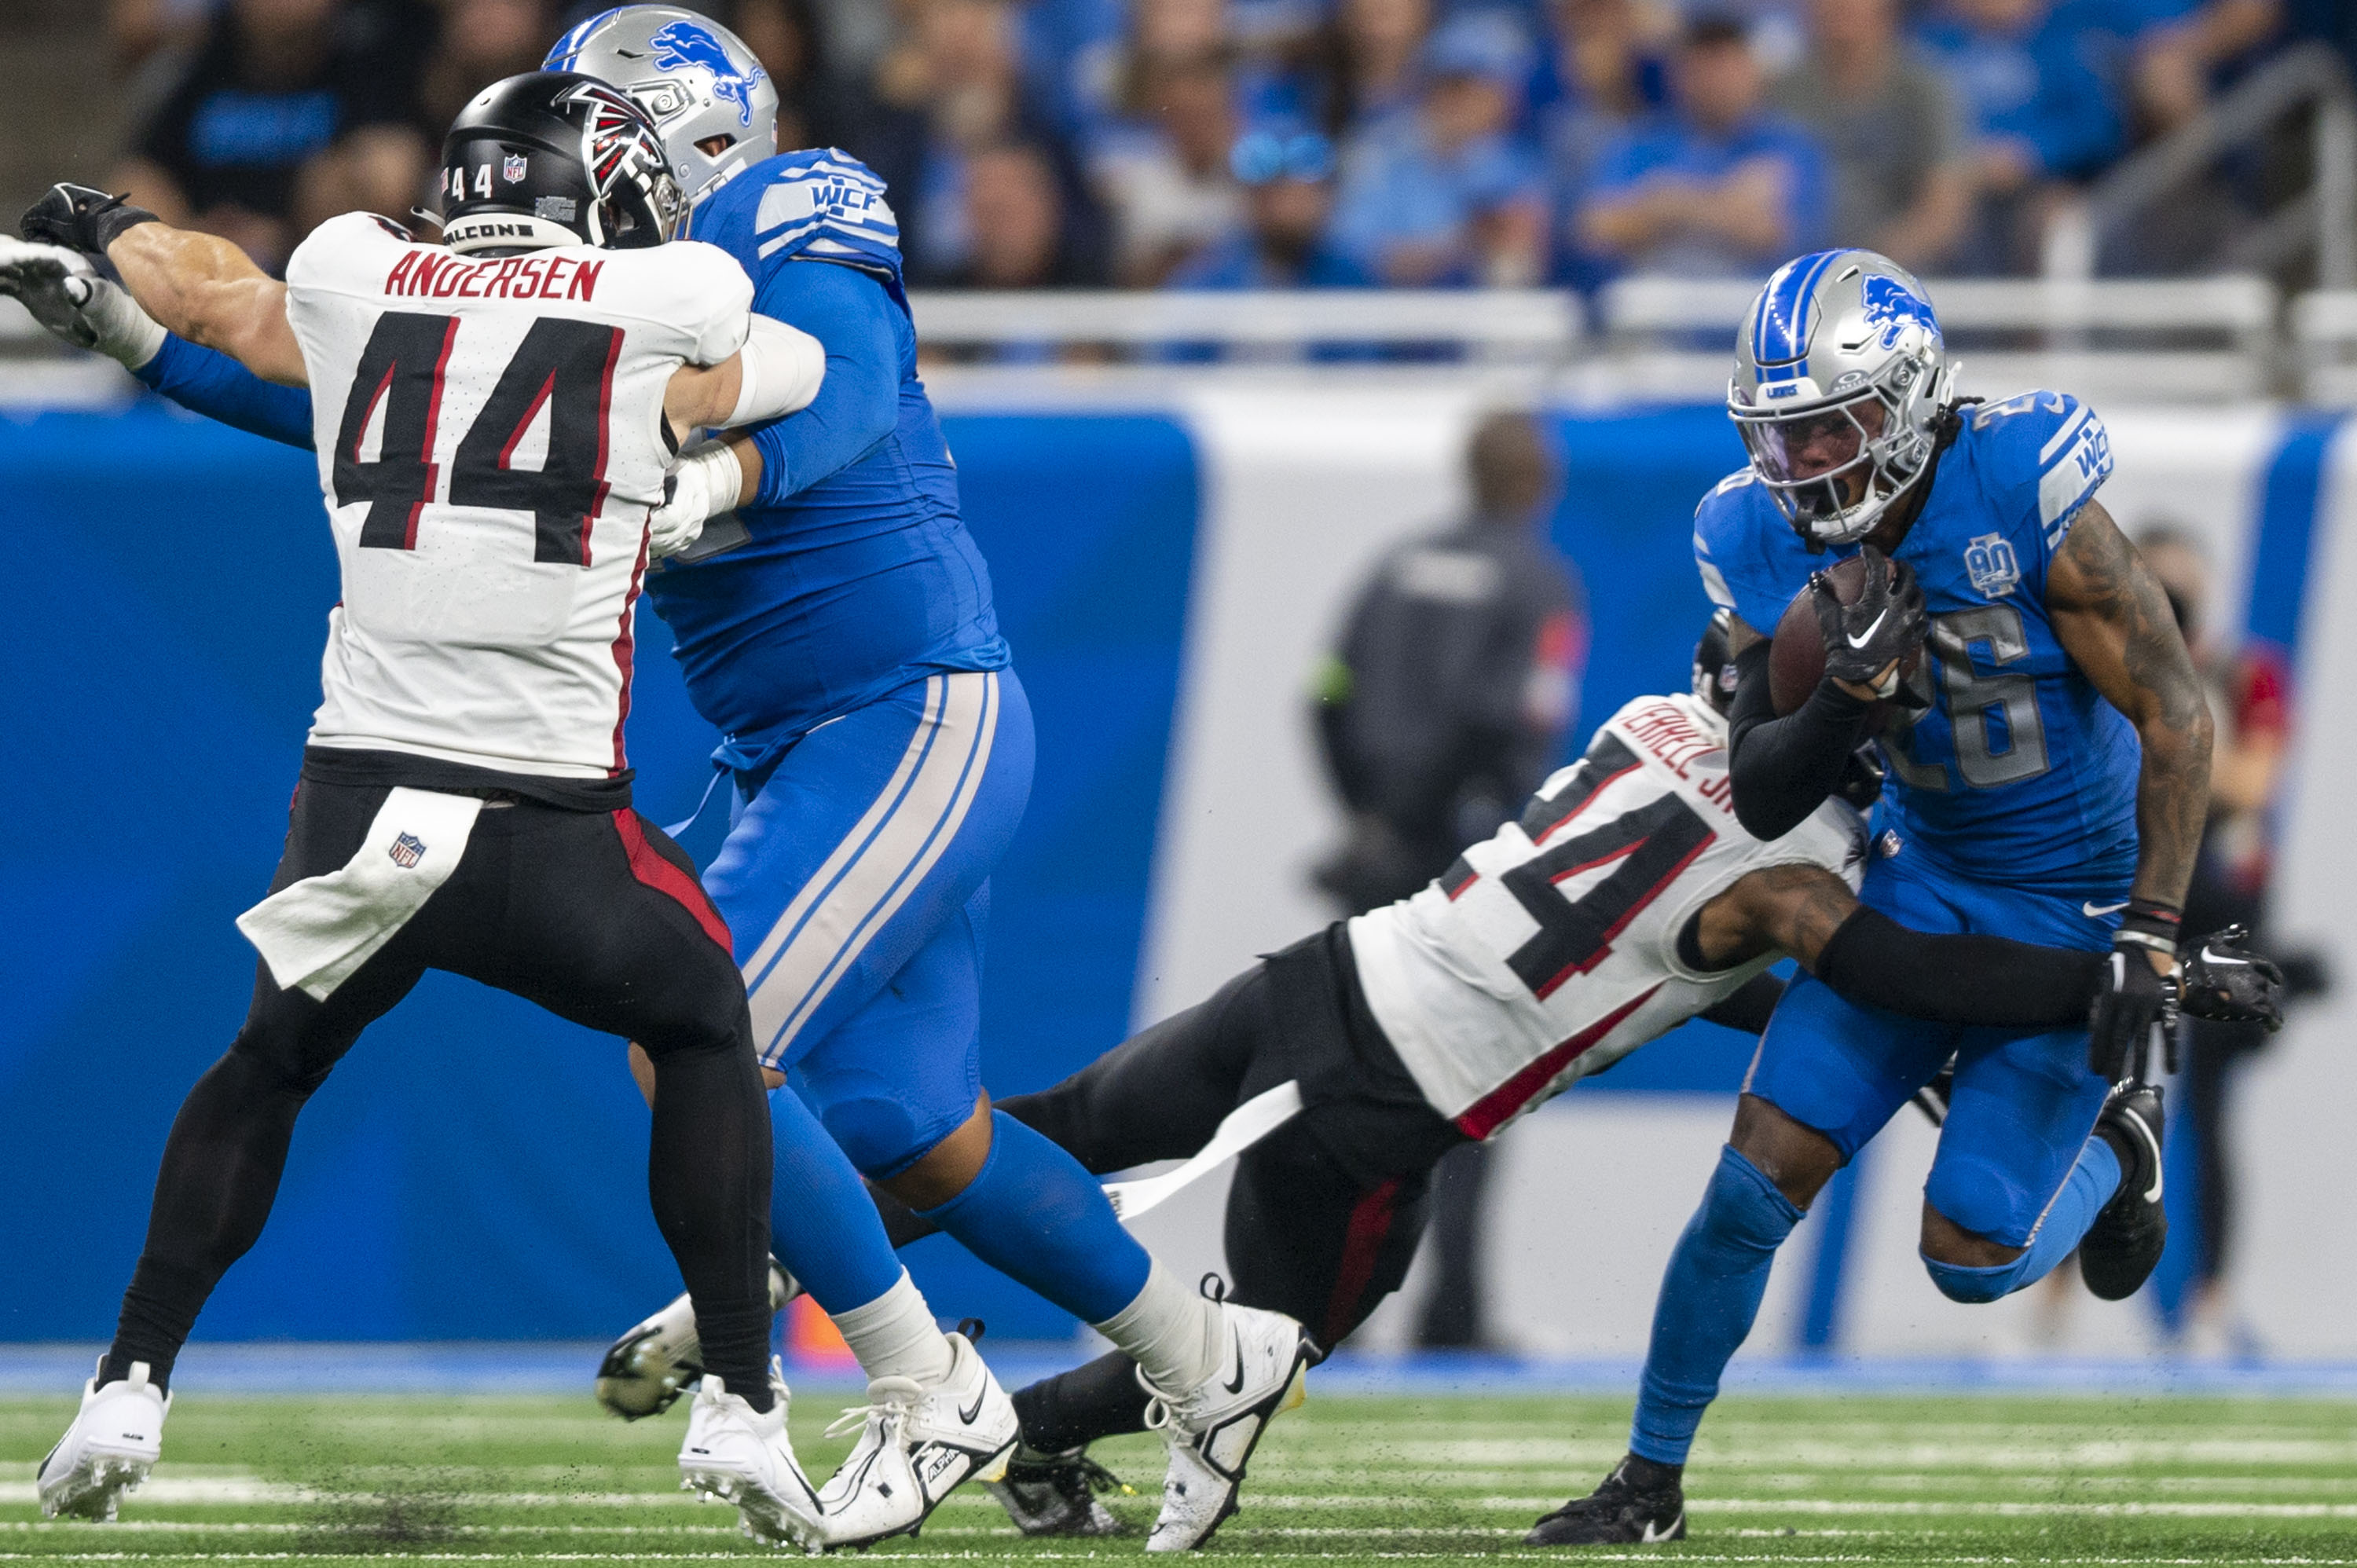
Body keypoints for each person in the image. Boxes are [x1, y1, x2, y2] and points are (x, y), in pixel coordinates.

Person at [18, 9, 1316, 1550]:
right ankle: (1208, 1353)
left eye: (607, 148)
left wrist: (729, 473)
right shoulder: (608, 295)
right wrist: (150, 347)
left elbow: (846, 374)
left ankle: (920, 1381)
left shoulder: (780, 208)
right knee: (909, 1115)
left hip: (903, 708)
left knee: (703, 1031)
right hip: (797, 737)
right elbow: (384, 412)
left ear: (686, 146)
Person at [839, 617, 2275, 1539]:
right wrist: (2126, 979)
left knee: (1070, 1127)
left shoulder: (1649, 720)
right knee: (1276, 1342)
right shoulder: (1790, 879)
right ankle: (1025, 1432)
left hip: (1330, 974)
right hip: (1394, 1098)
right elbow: (1870, 969)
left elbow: (1667, 936)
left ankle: (805, 1243)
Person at [15, 71, 845, 1545]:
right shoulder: (679, 285)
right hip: (546, 823)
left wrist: (110, 228)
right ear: (586, 184)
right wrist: (688, 428)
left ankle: (129, 1379)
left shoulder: (350, 265)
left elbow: (221, 298)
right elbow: (782, 369)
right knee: (704, 1023)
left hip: (358, 805)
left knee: (266, 1064)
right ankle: (739, 1400)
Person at [1534, 249, 2215, 1545]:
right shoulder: (1748, 529)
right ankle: (1648, 1484)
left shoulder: (2019, 482)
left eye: (1832, 429)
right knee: (1750, 1184)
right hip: (1922, 870)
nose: (1803, 470)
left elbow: (2178, 711)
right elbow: (1769, 782)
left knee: (1972, 1259)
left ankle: (2121, 1143)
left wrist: (2152, 928)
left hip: (2071, 891)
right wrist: (1827, 697)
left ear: (1908, 399)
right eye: (1779, 440)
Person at [1308, 409, 1585, 1352]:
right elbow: (1500, 718)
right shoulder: (1540, 581)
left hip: (1379, 860)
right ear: (1536, 482)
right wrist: (1436, 820)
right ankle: (1450, 1313)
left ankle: (1317, 1305)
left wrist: (1369, 815)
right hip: (1467, 868)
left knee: (1356, 1081)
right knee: (1474, 1092)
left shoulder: (1395, 564)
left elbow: (1326, 692)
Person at [2136, 526, 2304, 1356]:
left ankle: (2211, 1300)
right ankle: (2047, 1305)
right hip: (2141, 906)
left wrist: (2173, 704)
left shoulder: (2242, 674)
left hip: (2225, 916)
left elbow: (2244, 785)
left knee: (2207, 1108)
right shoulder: (2110, 668)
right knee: (2101, 1089)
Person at [112, 0, 434, 271]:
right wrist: (191, 240)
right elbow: (144, 177)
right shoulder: (205, 65)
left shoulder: (367, 60)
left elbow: (391, 176)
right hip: (197, 259)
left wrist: (287, 235)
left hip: (317, 265)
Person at [1575, 15, 1829, 278]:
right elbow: (1596, 229)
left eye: (1725, 65)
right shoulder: (1643, 143)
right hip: (1660, 303)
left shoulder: (1789, 145)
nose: (1714, 81)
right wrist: (1725, 203)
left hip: (1757, 302)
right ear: (1677, 76)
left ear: (1752, 72)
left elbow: (1776, 235)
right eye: (1701, 66)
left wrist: (1664, 202)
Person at [1327, 11, 1549, 286]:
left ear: (1504, 95)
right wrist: (1463, 244)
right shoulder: (1386, 160)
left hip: (1489, 319)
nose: (1458, 102)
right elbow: (1353, 257)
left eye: (1473, 87)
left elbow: (1524, 262)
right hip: (1391, 319)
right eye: (1447, 85)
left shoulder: (1522, 164)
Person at [1912, 0, 2126, 274]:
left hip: (2047, 185)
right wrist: (1964, 158)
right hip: (1956, 182)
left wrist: (2032, 155)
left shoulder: (2063, 45)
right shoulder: (1938, 44)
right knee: (1937, 214)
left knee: (2057, 221)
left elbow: (2099, 130)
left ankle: (2044, 316)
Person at [1769, 0, 1972, 269]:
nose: (1839, 6)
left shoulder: (1926, 90)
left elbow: (1943, 212)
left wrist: (1865, 264)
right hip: (1796, 265)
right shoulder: (1781, 92)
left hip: (1897, 271)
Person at [1168, 125, 1370, 289]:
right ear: (1251, 200)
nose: (1288, 208)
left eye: (1300, 195)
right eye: (1274, 193)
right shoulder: (1209, 275)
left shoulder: (1352, 275)